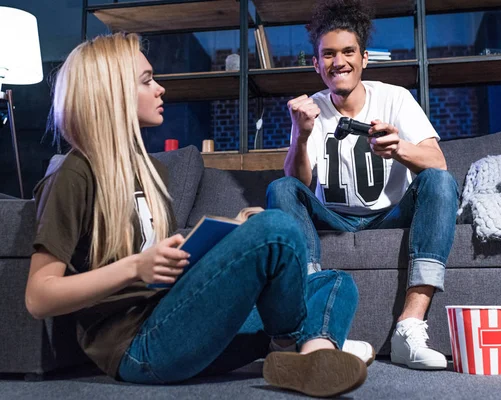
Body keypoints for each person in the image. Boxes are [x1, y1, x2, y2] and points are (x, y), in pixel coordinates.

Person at [25, 32, 368, 398]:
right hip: (137, 347)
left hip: (178, 317)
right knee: (277, 227)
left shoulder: (150, 172)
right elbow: (39, 297)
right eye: (147, 81)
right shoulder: (75, 174)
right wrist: (136, 267)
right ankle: (301, 342)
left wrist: (232, 233)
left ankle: (310, 356)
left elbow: (169, 269)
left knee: (331, 282)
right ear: (112, 92)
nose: (160, 90)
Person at [266, 0, 459, 370]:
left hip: (389, 214)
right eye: (328, 54)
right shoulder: (310, 109)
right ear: (316, 64)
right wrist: (301, 135)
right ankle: (311, 323)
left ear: (364, 58)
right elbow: (298, 185)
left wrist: (399, 147)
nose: (339, 61)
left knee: (438, 181)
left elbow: (439, 163)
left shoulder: (395, 98)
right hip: (332, 218)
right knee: (281, 188)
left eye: (348, 51)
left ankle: (409, 327)